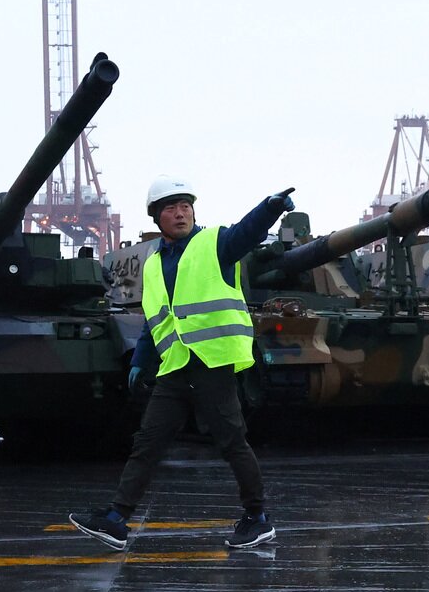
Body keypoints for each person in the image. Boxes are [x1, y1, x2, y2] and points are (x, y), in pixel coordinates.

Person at [70, 175, 295, 551]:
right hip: (175, 367)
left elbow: (246, 233)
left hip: (212, 362)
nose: (180, 213)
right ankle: (115, 520)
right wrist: (140, 363)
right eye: (171, 208)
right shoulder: (154, 264)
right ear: (157, 217)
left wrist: (269, 208)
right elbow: (154, 320)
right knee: (148, 443)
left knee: (231, 441)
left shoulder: (214, 243)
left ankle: (258, 519)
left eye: (185, 206)